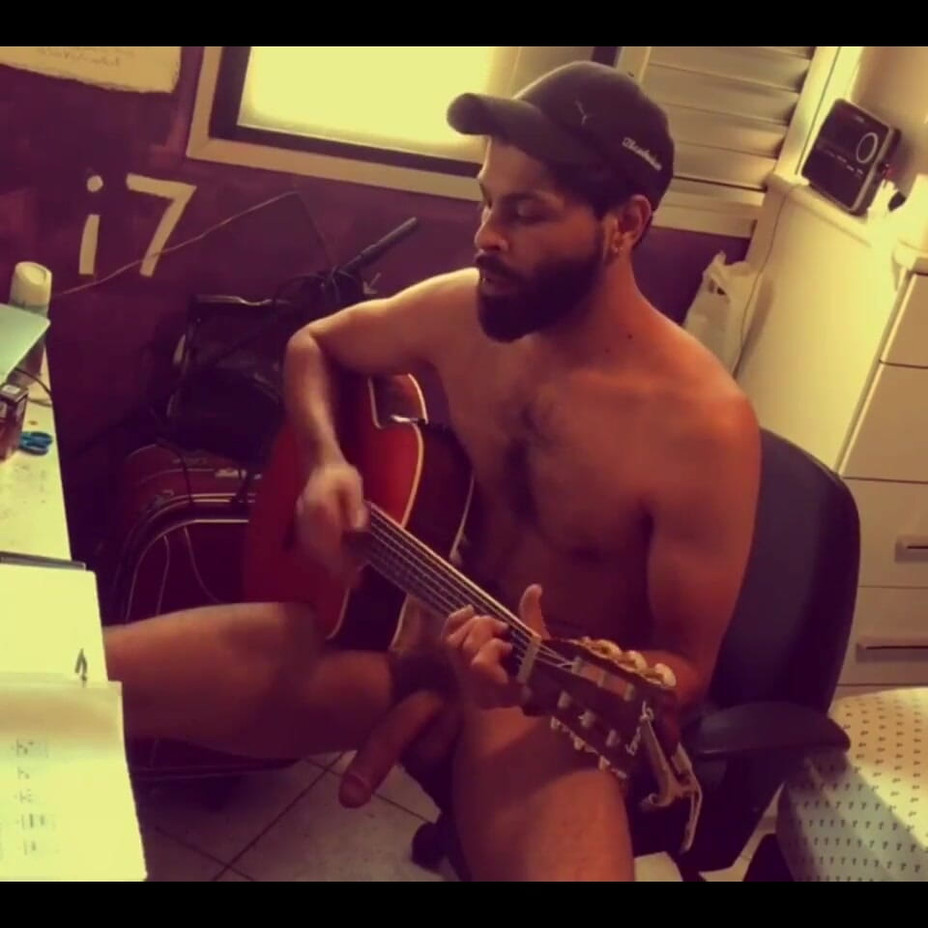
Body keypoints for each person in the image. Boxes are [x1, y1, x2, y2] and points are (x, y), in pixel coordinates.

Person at [104, 61, 760, 882]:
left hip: (547, 704)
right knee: (79, 678)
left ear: (624, 224)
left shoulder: (704, 427)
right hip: (411, 630)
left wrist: (557, 677)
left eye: (524, 212)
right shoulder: (464, 311)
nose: (486, 236)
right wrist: (325, 462)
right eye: (487, 202)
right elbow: (316, 344)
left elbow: (687, 670)